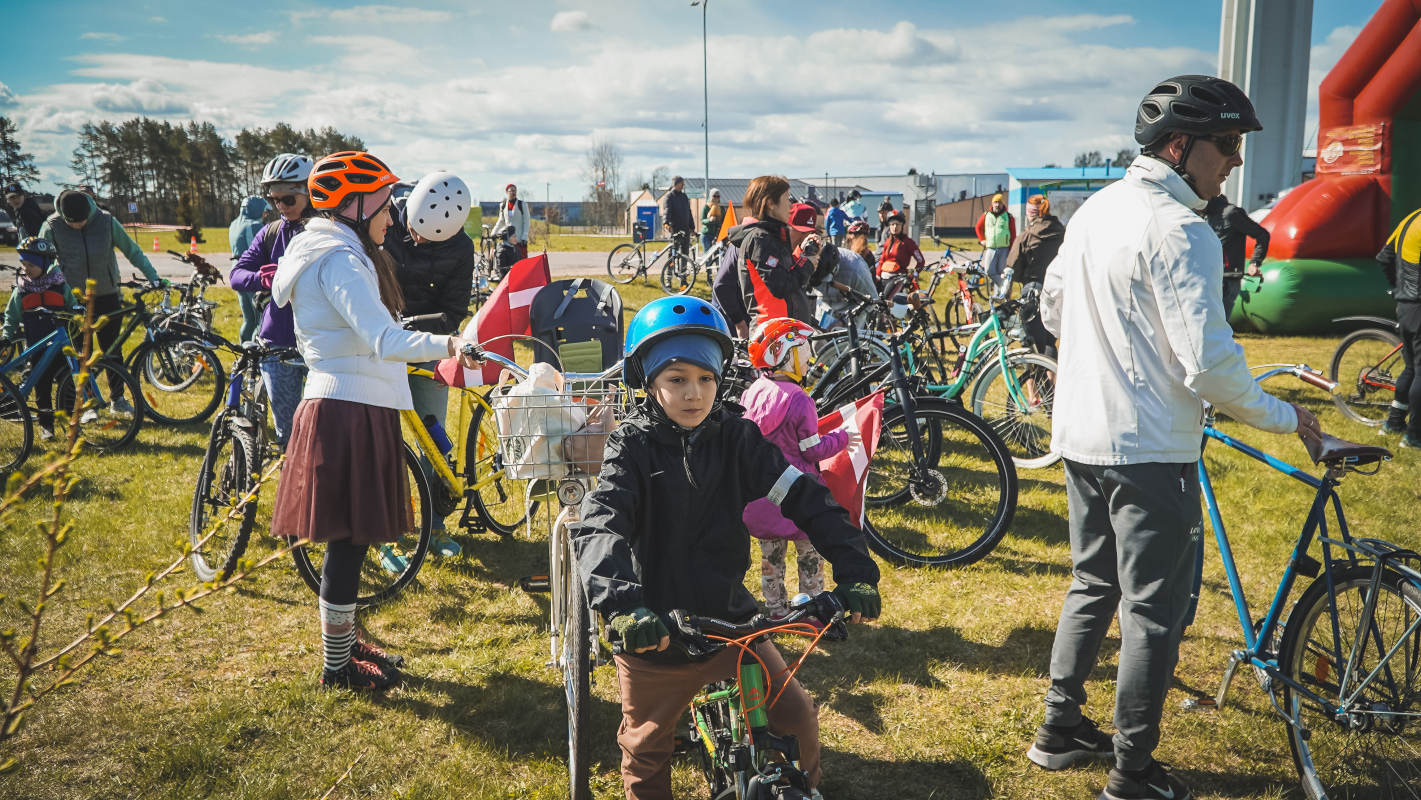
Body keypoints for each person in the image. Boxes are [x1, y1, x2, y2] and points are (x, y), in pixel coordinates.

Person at [1032, 75, 1322, 800]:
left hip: (1083, 434)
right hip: (1147, 448)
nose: (1234, 161)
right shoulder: (1181, 228)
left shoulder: (1096, 209)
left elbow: (1054, 309)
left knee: (1091, 583)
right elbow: (1211, 366)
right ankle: (1132, 772)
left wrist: (1112, 356)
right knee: (1153, 612)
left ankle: (1058, 731)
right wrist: (1289, 418)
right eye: (1225, 145)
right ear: (1176, 146)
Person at [569, 295, 882, 800]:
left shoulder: (738, 440)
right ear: (649, 383)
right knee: (648, 751)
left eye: (706, 379)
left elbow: (803, 497)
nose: (694, 394)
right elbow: (600, 523)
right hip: (657, 632)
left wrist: (854, 566)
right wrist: (626, 606)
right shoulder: (631, 447)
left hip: (732, 622)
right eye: (677, 379)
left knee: (799, 717)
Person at [268, 150, 479, 691]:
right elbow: (384, 340)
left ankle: (345, 639)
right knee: (348, 541)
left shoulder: (341, 249)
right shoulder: (338, 258)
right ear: (355, 205)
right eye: (386, 204)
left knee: (353, 540)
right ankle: (337, 667)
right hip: (348, 406)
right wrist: (451, 342)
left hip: (357, 403)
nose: (393, 214)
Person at [384, 171, 476, 560]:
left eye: (432, 240)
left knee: (433, 439)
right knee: (385, 441)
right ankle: (388, 533)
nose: (419, 242)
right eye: (416, 233)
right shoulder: (383, 221)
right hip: (381, 343)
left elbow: (454, 310)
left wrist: (416, 329)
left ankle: (435, 527)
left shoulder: (462, 247)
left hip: (429, 344)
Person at [742, 317, 859, 618]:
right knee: (810, 552)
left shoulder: (753, 391)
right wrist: (843, 437)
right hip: (798, 490)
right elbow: (812, 450)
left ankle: (776, 610)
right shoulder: (800, 399)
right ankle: (814, 606)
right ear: (787, 357)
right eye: (804, 355)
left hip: (763, 493)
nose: (808, 362)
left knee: (770, 557)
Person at [39, 189, 164, 414]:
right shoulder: (52, 225)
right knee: (80, 354)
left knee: (112, 350)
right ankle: (88, 405)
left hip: (106, 295)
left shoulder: (106, 221)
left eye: (82, 221)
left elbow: (132, 251)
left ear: (89, 211)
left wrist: (153, 276)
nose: (77, 226)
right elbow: (41, 260)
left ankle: (118, 399)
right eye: (71, 223)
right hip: (72, 298)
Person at [230, 153, 316, 452]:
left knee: (325, 431)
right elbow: (237, 275)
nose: (280, 206)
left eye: (288, 199)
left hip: (321, 342)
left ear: (309, 191)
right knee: (288, 434)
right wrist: (263, 280)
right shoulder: (271, 233)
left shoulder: (326, 232)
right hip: (278, 342)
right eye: (274, 200)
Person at [725, 177, 831, 327]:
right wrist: (807, 264)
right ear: (771, 203)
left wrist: (802, 253)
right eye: (787, 199)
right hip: (773, 333)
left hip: (783, 331)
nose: (790, 205)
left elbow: (781, 273)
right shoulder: (760, 238)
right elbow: (780, 286)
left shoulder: (772, 235)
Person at [1, 237, 71, 440]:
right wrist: (7, 336)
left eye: (31, 265)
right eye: (23, 265)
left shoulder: (60, 286)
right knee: (42, 387)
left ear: (45, 264)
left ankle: (70, 423)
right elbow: (11, 316)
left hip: (61, 346)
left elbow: (73, 307)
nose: (26, 269)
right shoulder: (21, 290)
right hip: (36, 345)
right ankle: (46, 426)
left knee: (68, 386)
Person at [1377, 204, 1421, 447]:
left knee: (1411, 368)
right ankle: (1415, 436)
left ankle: (1394, 423)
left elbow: (1384, 256)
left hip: (1406, 305)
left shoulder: (1411, 218)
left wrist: (1398, 290)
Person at [1006, 195, 1066, 360]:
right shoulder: (1062, 232)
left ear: (1030, 213)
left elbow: (1013, 264)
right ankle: (1050, 383)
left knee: (1031, 343)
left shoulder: (1027, 235)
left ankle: (1032, 386)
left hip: (1033, 289)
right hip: (1057, 289)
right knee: (1050, 341)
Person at [1204, 193, 1270, 315]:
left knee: (1219, 327)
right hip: (1209, 279)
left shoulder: (1231, 213)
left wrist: (1254, 263)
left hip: (1227, 280)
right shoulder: (1206, 216)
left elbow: (1262, 234)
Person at [815, 230, 880, 330]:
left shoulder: (856, 267)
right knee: (817, 344)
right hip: (823, 312)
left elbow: (872, 300)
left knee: (846, 345)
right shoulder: (808, 259)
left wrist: (843, 321)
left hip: (851, 318)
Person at [229, 195, 272, 344]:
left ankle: (243, 351)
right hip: (252, 272)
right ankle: (257, 353)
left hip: (236, 270)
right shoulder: (254, 226)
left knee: (248, 319)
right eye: (263, 212)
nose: (264, 215)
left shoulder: (234, 224)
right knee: (260, 317)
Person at [974, 193, 1017, 290]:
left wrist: (1011, 250)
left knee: (1002, 272)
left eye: (999, 203)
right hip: (991, 248)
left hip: (1004, 248)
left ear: (1003, 204)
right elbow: (978, 227)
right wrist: (982, 239)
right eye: (995, 202)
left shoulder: (1008, 217)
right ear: (992, 204)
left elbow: (1013, 234)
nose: (997, 205)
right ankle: (1004, 287)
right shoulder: (986, 215)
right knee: (989, 271)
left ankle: (999, 296)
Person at [876, 211, 924, 286]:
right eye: (892, 224)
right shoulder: (887, 242)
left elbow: (921, 260)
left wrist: (914, 275)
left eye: (897, 224)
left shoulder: (908, 242)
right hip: (883, 276)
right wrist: (877, 275)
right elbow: (882, 260)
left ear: (902, 226)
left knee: (885, 297)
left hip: (898, 278)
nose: (895, 227)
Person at [659, 175, 695, 261]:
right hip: (675, 229)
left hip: (685, 229)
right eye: (681, 183)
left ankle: (682, 272)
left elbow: (688, 212)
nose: (683, 185)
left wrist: (692, 227)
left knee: (685, 253)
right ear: (676, 183)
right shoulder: (669, 196)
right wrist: (666, 223)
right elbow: (667, 210)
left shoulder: (684, 197)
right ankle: (669, 273)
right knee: (673, 252)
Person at [493, 184, 529, 261]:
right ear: (507, 192)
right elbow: (501, 220)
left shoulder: (522, 205)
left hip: (519, 239)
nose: (513, 193)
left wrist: (524, 237)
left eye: (514, 191)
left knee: (522, 261)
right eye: (511, 191)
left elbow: (526, 221)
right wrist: (494, 232)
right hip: (508, 239)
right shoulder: (503, 205)